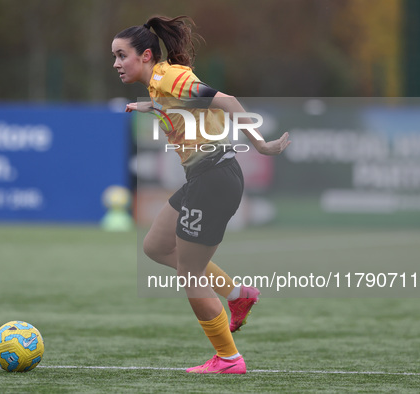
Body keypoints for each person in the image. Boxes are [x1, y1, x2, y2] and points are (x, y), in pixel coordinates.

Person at [111, 15, 291, 374]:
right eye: (114, 57)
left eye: (121, 55)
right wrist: (145, 106)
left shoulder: (169, 77)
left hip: (213, 178)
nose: (116, 64)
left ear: (146, 56)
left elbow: (225, 100)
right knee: (156, 246)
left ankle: (228, 359)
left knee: (189, 272)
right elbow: (178, 105)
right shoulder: (158, 82)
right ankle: (239, 296)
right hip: (203, 178)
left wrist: (261, 145)